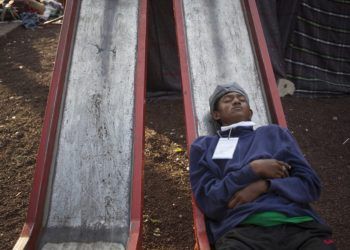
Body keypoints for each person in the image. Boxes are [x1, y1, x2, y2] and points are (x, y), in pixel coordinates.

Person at [189, 82, 336, 250]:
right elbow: (209, 201)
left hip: (299, 227)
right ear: (216, 114)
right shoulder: (204, 147)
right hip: (242, 231)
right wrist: (253, 170)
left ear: (250, 112)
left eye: (241, 99)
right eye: (228, 100)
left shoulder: (275, 134)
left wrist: (265, 186)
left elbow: (310, 185)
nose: (236, 101)